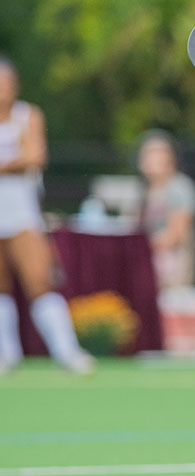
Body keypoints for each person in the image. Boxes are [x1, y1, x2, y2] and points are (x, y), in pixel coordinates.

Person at [0, 56, 94, 375]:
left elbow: (36, 156)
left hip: (21, 211)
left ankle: (66, 352)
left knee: (39, 280)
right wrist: (16, 160)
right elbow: (23, 157)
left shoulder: (28, 115)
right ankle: (6, 355)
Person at [136, 129, 195, 292]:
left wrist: (142, 245)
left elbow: (177, 234)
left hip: (172, 264)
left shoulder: (179, 188)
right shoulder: (144, 190)